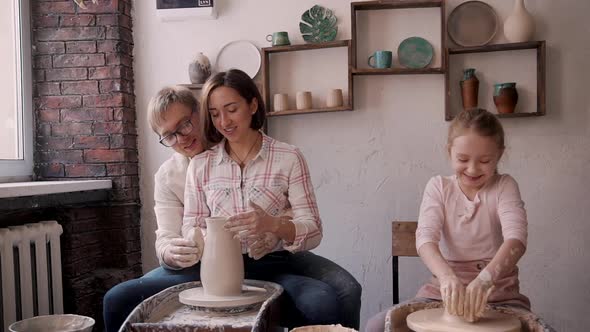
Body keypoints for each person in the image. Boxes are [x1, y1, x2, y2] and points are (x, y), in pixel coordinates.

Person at [103, 84, 361, 331]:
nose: (182, 137)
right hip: (204, 263)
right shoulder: (169, 175)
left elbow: (294, 213)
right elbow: (168, 236)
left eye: (185, 124)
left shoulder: (250, 145)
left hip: (269, 254)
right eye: (170, 135)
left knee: (341, 291)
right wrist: (172, 251)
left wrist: (273, 230)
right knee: (119, 298)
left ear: (201, 113)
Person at [182, 69, 361, 329]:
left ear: (253, 104)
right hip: (219, 267)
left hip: (276, 262)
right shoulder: (200, 165)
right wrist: (206, 240)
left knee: (339, 293)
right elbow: (191, 226)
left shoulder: (288, 157)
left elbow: (313, 229)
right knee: (124, 296)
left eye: (231, 109)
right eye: (214, 113)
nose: (224, 121)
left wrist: (274, 226)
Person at [366, 109, 555, 332]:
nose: (473, 169)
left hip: (499, 296)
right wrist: (446, 277)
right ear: (450, 152)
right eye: (463, 159)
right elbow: (425, 239)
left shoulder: (504, 186)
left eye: (485, 160)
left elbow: (516, 239)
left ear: (499, 155)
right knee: (376, 326)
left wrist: (486, 279)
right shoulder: (439, 187)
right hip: (440, 294)